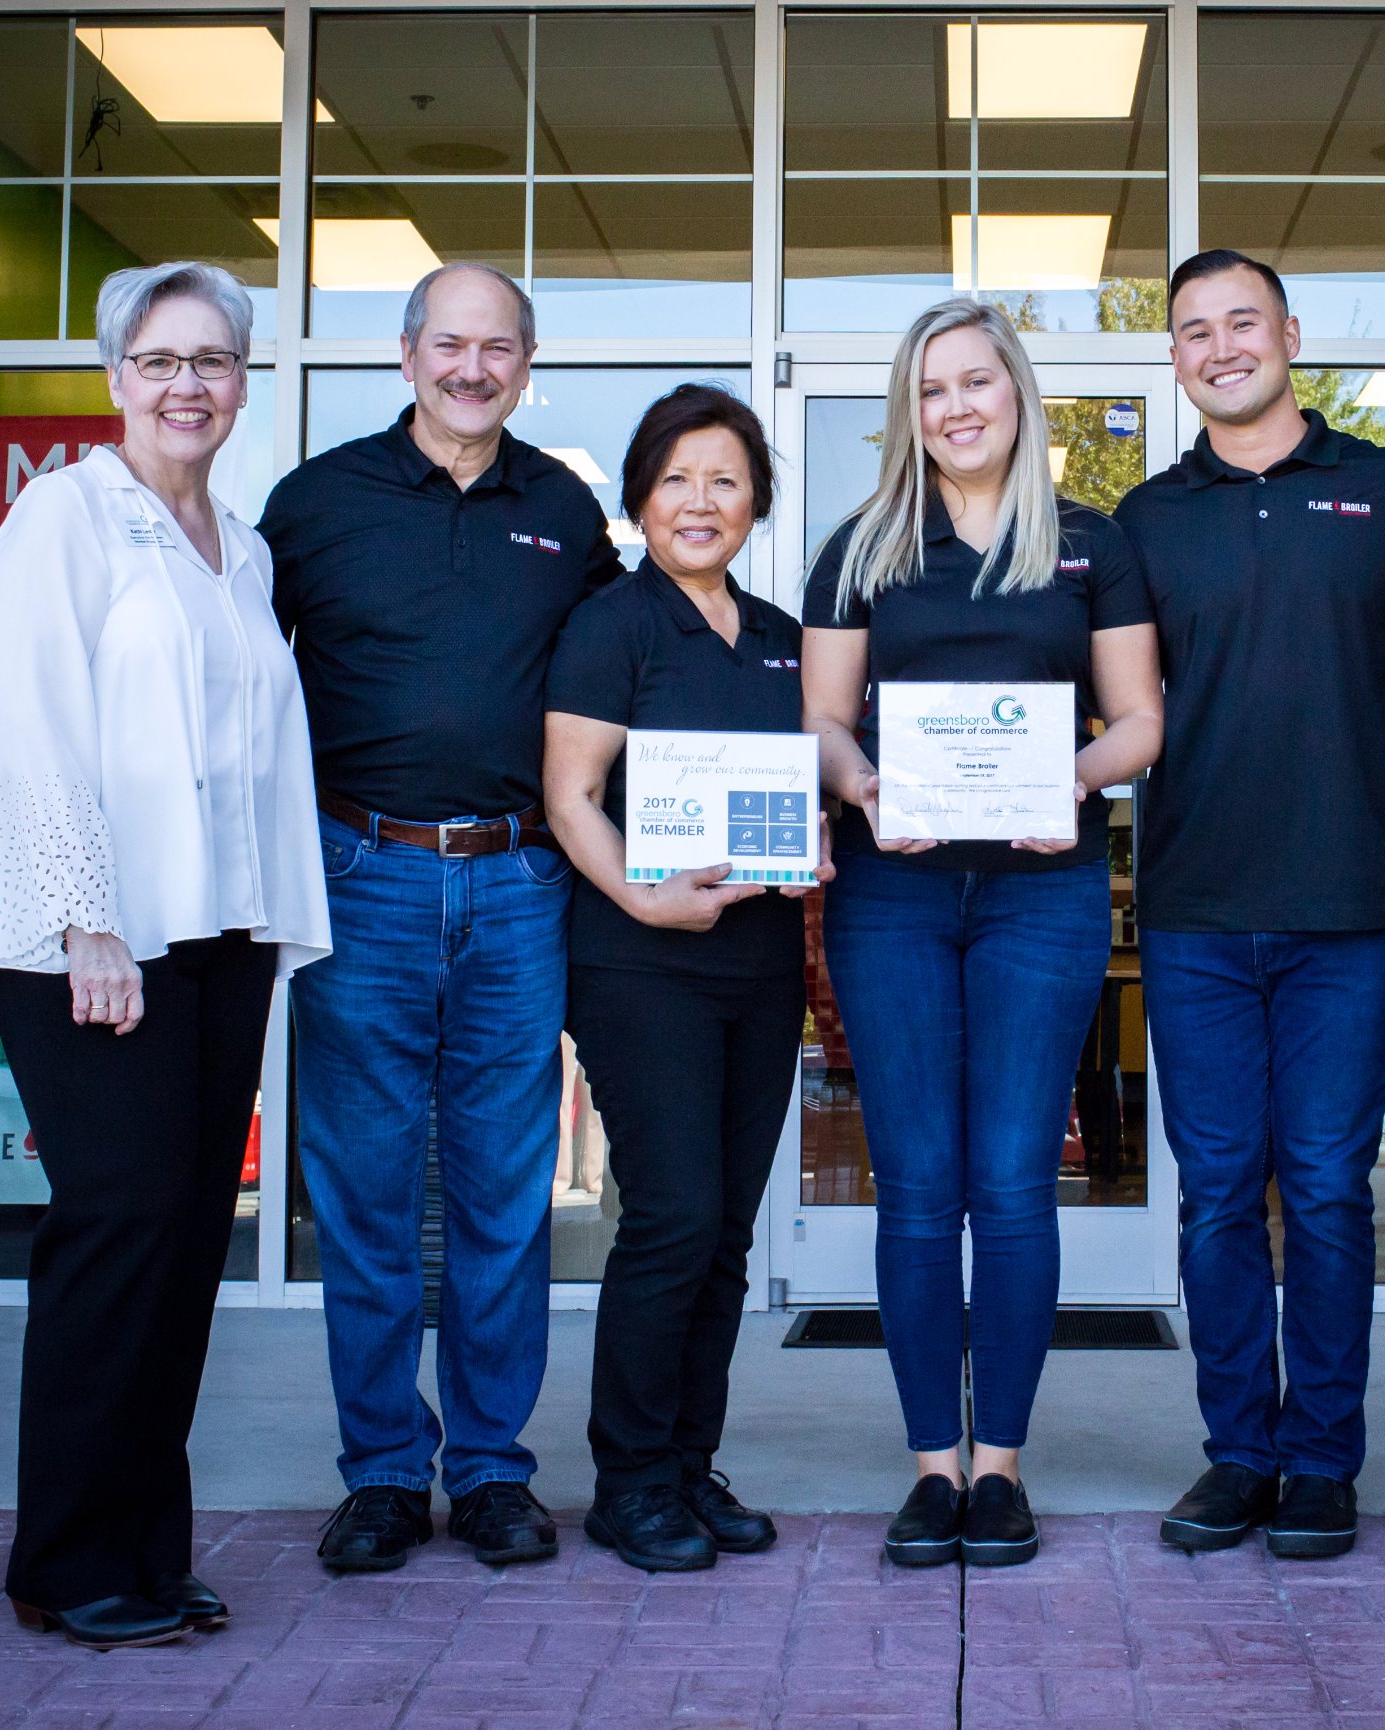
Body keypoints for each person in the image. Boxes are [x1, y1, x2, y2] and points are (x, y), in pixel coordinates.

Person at [0, 261, 329, 1648]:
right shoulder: (63, 515)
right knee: (115, 1231)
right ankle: (64, 1559)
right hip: (92, 941)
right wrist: (88, 922)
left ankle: (142, 1545)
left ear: (243, 383)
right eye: (160, 358)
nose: (188, 384)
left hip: (216, 937)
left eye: (214, 361)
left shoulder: (238, 547)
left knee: (185, 1243)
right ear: (118, 374)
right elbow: (39, 726)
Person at [258, 262, 624, 1573]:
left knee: (500, 1195)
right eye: (451, 344)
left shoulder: (564, 510)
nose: (474, 368)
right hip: (361, 877)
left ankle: (486, 1469)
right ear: (406, 354)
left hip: (521, 883)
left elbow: (615, 682)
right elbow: (239, 687)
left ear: (527, 363)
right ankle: (375, 1472)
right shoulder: (314, 504)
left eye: (500, 347)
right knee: (360, 1190)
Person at [801, 299, 1163, 1569]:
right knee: (918, 1184)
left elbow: (1138, 724)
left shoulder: (1088, 547)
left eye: (976, 382)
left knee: (1012, 1180)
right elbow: (827, 725)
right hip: (894, 895)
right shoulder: (861, 549)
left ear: (1017, 392)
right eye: (931, 389)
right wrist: (862, 790)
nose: (956, 407)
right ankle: (929, 1467)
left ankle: (999, 1465)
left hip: (1040, 894)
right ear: (910, 410)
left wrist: (1065, 778)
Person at [1114, 250, 1385, 1559]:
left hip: (1344, 908)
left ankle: (1319, 1457)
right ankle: (1235, 1452)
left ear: (1289, 334)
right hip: (1196, 907)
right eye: (1192, 330)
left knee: (1322, 1187)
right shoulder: (1143, 522)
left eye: (1239, 322)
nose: (1218, 346)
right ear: (1175, 359)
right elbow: (1106, 701)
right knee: (1214, 1193)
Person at [543, 386, 828, 1572]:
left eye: (723, 478)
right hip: (638, 962)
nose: (698, 501)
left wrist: (814, 842)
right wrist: (643, 895)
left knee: (721, 1230)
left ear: (755, 497)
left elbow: (804, 782)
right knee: (667, 1216)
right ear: (639, 499)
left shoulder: (778, 634)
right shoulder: (612, 624)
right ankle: (628, 1477)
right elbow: (568, 796)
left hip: (758, 966)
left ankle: (687, 1464)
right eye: (674, 479)